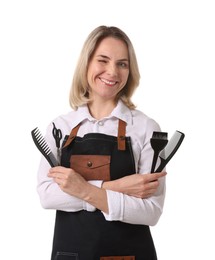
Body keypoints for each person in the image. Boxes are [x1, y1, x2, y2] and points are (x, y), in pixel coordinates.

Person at [37, 25, 167, 260]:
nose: (112, 72)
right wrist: (116, 187)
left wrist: (83, 189)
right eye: (103, 60)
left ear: (130, 71)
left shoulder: (146, 128)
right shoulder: (60, 127)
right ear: (86, 63)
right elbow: (48, 195)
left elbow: (151, 212)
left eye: (122, 64)